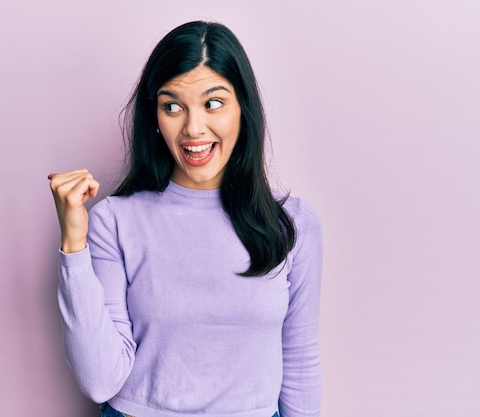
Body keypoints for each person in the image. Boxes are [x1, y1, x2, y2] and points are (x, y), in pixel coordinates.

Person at [48, 21, 322, 417]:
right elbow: (99, 381)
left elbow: (300, 360)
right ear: (155, 116)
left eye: (213, 103)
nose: (193, 128)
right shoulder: (115, 220)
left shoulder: (292, 223)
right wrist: (73, 243)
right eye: (172, 106)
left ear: (242, 109)